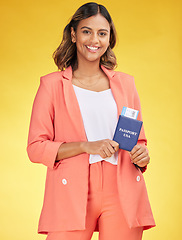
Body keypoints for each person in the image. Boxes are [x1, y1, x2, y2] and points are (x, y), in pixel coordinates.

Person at [27, 2, 155, 240]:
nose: (94, 39)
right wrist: (86, 146)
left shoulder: (126, 84)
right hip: (72, 189)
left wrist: (142, 154)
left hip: (123, 187)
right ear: (74, 34)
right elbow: (35, 148)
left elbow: (139, 140)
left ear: (109, 39)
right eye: (87, 31)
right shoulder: (52, 85)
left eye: (102, 33)